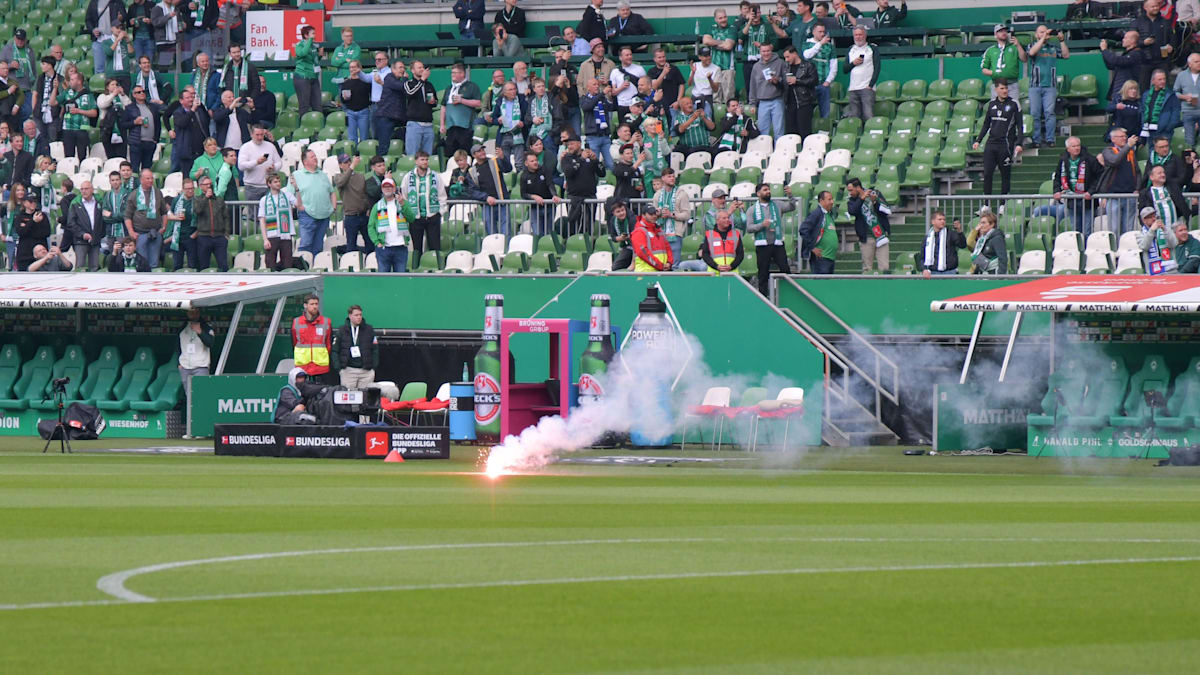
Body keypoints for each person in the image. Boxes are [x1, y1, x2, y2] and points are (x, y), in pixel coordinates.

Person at [1040, 136, 1101, 237]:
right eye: (1073, 146)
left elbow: (1099, 177)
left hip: (1087, 201)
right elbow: (1058, 177)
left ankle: (1086, 250)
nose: (1076, 148)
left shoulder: (1090, 159)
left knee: (1087, 229)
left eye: (1078, 146)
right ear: (1068, 149)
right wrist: (1056, 190)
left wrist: (1091, 191)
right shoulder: (1063, 160)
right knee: (1075, 229)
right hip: (1072, 200)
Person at [973, 80, 1023, 202]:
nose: (1005, 91)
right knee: (987, 174)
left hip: (1005, 145)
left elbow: (1020, 126)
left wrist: (1019, 143)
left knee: (1005, 175)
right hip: (991, 144)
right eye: (1002, 88)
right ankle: (986, 204)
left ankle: (1003, 204)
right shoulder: (991, 104)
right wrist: (978, 140)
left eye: (1006, 88)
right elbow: (986, 124)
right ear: (996, 90)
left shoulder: (1014, 104)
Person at [1027, 26, 1069, 149]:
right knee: (1035, 113)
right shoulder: (1031, 45)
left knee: (1049, 113)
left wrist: (1061, 41)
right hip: (1035, 85)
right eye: (1041, 32)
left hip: (1050, 85)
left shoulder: (1053, 48)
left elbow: (1066, 55)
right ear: (1036, 35)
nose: (1045, 34)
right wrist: (1044, 37)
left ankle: (1050, 139)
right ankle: (1037, 140)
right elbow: (1032, 53)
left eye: (1046, 31)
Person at [750, 182, 796, 291]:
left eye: (769, 189)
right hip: (762, 245)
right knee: (763, 273)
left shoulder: (777, 204)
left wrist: (790, 195)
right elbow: (749, 228)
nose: (768, 191)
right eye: (765, 190)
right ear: (758, 193)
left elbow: (792, 207)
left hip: (777, 243)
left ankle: (789, 295)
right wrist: (762, 225)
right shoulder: (752, 209)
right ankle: (763, 300)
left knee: (785, 270)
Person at [401, 150, 446, 259]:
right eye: (422, 159)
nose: (425, 162)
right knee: (417, 248)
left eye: (426, 159)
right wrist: (408, 214)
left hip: (432, 216)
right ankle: (417, 270)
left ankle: (436, 268)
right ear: (416, 161)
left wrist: (440, 212)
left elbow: (442, 195)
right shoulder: (408, 177)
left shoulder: (436, 176)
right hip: (415, 218)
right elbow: (404, 197)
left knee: (435, 247)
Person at [177, 307, 213, 440]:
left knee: (200, 398)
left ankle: (201, 430)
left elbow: (211, 343)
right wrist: (179, 363)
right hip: (185, 367)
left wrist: (200, 332)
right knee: (189, 399)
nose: (192, 314)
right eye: (190, 311)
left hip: (201, 366)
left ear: (199, 312)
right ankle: (190, 430)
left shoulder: (206, 327)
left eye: (195, 311)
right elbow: (177, 345)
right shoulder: (182, 327)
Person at [367, 176, 416, 273]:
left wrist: (402, 204)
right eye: (385, 187)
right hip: (384, 248)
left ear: (394, 188)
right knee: (384, 280)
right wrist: (377, 242)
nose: (387, 189)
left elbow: (411, 218)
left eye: (390, 187)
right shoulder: (377, 206)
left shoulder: (402, 203)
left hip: (400, 247)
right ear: (382, 189)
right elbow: (371, 227)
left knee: (400, 279)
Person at [123, 168, 168, 267]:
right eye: (148, 178)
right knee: (142, 262)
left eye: (151, 178)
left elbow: (164, 212)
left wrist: (164, 227)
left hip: (155, 233)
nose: (151, 180)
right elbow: (127, 216)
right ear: (141, 180)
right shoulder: (134, 194)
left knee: (154, 262)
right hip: (140, 234)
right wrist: (131, 232)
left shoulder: (158, 193)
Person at [1099, 127, 1141, 233]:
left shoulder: (1130, 152)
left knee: (1129, 229)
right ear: (1113, 139)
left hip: (1130, 195)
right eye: (1121, 136)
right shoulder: (1108, 151)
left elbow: (1137, 172)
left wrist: (1137, 188)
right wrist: (1127, 146)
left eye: (1125, 136)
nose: (1124, 139)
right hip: (1113, 196)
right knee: (1114, 228)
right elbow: (1114, 161)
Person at [562, 134, 605, 236]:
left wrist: (596, 160)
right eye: (568, 144)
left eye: (572, 144)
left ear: (579, 144)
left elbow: (602, 173)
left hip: (590, 197)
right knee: (575, 227)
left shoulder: (589, 157)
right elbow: (569, 173)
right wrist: (581, 159)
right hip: (574, 198)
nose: (570, 146)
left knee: (588, 227)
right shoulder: (566, 158)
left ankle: (588, 247)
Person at [846, 178, 891, 274]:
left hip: (881, 236)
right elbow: (852, 211)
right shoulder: (852, 201)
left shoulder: (875, 193)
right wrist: (861, 199)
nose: (850, 193)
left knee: (884, 268)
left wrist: (875, 202)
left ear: (858, 188)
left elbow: (886, 211)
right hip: (866, 237)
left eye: (851, 190)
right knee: (867, 269)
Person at [440, 63, 481, 158]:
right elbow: (443, 107)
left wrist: (462, 100)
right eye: (452, 73)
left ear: (462, 74)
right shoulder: (449, 88)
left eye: (455, 73)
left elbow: (478, 103)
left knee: (465, 153)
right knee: (450, 153)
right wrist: (442, 124)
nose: (452, 75)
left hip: (465, 127)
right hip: (451, 127)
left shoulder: (472, 86)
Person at [471, 143, 512, 235]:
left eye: (482, 150)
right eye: (479, 151)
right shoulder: (472, 171)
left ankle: (505, 248)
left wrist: (502, 158)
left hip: (502, 201)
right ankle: (493, 248)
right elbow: (472, 190)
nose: (482, 152)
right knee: (490, 231)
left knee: (505, 230)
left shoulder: (495, 161)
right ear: (474, 155)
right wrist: (486, 197)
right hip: (487, 204)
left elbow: (508, 169)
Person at [334, 305, 379, 390]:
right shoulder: (342, 330)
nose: (359, 317)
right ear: (350, 316)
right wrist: (339, 369)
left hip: (366, 371)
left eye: (360, 315)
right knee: (348, 399)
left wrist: (373, 367)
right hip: (348, 371)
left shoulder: (369, 329)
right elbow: (335, 351)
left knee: (366, 399)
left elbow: (375, 349)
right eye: (356, 315)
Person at [292, 294, 333, 384]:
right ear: (305, 305)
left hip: (320, 365)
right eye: (312, 304)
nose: (315, 306)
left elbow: (328, 344)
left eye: (316, 304)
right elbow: (294, 343)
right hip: (303, 365)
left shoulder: (326, 322)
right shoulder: (296, 322)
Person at [56, 72, 97, 163]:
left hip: (82, 129)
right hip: (67, 128)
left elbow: (94, 113)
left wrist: (79, 111)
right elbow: (53, 102)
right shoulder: (67, 92)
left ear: (79, 81)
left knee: (82, 156)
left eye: (72, 80)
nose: (70, 82)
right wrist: (55, 88)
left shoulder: (88, 95)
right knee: (68, 157)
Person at [258, 173, 295, 271]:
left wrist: (297, 190)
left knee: (288, 263)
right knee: (270, 264)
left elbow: (298, 205)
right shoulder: (264, 200)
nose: (278, 183)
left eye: (279, 181)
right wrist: (265, 239)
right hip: (271, 235)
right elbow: (262, 220)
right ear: (269, 184)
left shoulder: (287, 195)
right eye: (275, 182)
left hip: (285, 234)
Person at [1134, 0, 1174, 92]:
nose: (1156, 8)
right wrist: (1143, 43)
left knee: (1165, 86)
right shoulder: (1138, 22)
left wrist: (1171, 46)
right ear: (1145, 8)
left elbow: (1172, 38)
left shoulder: (1165, 22)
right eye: (1153, 6)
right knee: (1143, 88)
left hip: (1162, 59)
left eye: (1157, 6)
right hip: (1144, 60)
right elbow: (1132, 40)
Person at [119, 84, 160, 173]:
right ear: (134, 95)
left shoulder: (153, 107)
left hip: (150, 142)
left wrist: (156, 139)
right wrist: (134, 122)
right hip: (136, 142)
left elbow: (158, 124)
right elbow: (123, 124)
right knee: (135, 168)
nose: (142, 93)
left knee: (147, 169)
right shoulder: (129, 108)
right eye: (139, 92)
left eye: (143, 91)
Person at [170, 87, 211, 176]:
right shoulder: (178, 113)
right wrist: (192, 110)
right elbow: (183, 123)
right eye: (187, 98)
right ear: (181, 101)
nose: (191, 99)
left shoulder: (199, 110)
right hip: (187, 153)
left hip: (201, 151)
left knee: (202, 177)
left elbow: (206, 122)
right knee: (188, 178)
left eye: (192, 97)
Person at [748, 43, 785, 140]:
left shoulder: (780, 63)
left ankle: (779, 152)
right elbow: (753, 85)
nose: (766, 53)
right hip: (763, 102)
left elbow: (786, 81)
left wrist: (778, 80)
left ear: (771, 50)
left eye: (768, 51)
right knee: (763, 131)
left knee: (779, 130)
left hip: (777, 100)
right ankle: (763, 153)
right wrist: (752, 103)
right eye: (763, 51)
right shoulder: (756, 66)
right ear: (760, 52)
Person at [237, 124, 281, 205]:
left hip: (268, 186)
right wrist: (256, 162)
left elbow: (279, 162)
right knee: (253, 215)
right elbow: (241, 166)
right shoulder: (245, 147)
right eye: (257, 135)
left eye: (262, 135)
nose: (260, 137)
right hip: (252, 187)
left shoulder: (270, 146)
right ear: (251, 134)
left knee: (270, 214)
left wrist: (274, 168)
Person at [191, 175, 228, 271]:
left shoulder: (219, 199)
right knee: (203, 265)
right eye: (206, 184)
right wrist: (206, 198)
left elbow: (226, 217)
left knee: (223, 265)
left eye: (210, 184)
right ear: (200, 186)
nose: (209, 186)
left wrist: (226, 234)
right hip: (204, 237)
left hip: (219, 237)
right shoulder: (197, 199)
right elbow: (198, 210)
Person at [798, 188, 838, 277]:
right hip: (821, 258)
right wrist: (812, 247)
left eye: (832, 199)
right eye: (829, 199)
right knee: (822, 285)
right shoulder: (817, 213)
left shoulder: (828, 214)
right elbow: (803, 229)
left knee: (827, 285)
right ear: (821, 201)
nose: (832, 202)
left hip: (829, 257)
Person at [702, 10, 738, 105]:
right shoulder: (711, 28)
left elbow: (728, 46)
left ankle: (729, 118)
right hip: (714, 68)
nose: (723, 20)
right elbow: (706, 40)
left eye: (725, 17)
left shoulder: (732, 28)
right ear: (716, 19)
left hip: (728, 68)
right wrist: (722, 42)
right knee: (715, 97)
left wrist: (714, 43)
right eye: (720, 18)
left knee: (729, 98)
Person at [1139, 164, 1189, 232]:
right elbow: (1142, 214)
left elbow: (1185, 179)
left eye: (1163, 172)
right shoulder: (1145, 194)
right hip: (1157, 232)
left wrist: (1189, 165)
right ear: (1151, 177)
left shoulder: (1173, 188)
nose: (1163, 175)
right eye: (1159, 173)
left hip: (1175, 231)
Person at [781, 45, 817, 138]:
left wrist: (797, 81)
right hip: (789, 103)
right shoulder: (786, 67)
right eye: (785, 57)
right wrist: (776, 81)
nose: (786, 60)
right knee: (791, 133)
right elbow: (783, 84)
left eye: (788, 57)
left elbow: (814, 81)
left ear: (795, 54)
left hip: (804, 102)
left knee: (804, 131)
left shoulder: (808, 65)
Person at [66, 180, 103, 271]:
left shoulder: (99, 201)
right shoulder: (75, 203)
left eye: (86, 189)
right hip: (80, 241)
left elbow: (102, 220)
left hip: (95, 240)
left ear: (92, 190)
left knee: (94, 266)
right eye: (81, 189)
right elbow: (71, 223)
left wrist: (99, 234)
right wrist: (82, 234)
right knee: (80, 267)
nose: (83, 191)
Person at [403, 60, 437, 157]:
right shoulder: (408, 83)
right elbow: (410, 93)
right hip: (414, 124)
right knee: (412, 155)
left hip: (428, 124)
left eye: (423, 67)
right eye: (419, 68)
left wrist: (433, 102)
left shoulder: (429, 85)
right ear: (412, 70)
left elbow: (436, 102)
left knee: (427, 156)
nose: (422, 69)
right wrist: (421, 80)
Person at [803, 24, 837, 119]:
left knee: (825, 112)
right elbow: (807, 55)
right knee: (807, 111)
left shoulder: (830, 46)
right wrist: (820, 44)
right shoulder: (807, 43)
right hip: (809, 84)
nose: (822, 34)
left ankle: (824, 131)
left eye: (823, 32)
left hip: (823, 84)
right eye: (820, 32)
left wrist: (828, 81)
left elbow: (834, 66)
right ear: (813, 32)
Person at [374, 59, 408, 157]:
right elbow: (402, 87)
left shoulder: (397, 80)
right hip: (385, 116)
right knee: (384, 145)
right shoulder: (389, 78)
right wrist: (405, 79)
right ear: (393, 69)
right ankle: (380, 164)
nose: (403, 70)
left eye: (404, 68)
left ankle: (403, 155)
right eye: (400, 67)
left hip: (396, 117)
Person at [519, 150, 557, 236]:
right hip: (534, 209)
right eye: (532, 161)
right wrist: (533, 196)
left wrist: (554, 195)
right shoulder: (524, 176)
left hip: (549, 206)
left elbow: (550, 184)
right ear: (526, 163)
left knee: (549, 233)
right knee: (537, 234)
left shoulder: (545, 170)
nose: (535, 162)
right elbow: (523, 194)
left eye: (536, 160)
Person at [580, 78, 615, 170]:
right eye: (594, 85)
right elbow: (588, 106)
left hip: (605, 136)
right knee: (593, 165)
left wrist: (611, 97)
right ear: (588, 87)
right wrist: (602, 93)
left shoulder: (602, 98)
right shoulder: (584, 99)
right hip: (593, 137)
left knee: (610, 164)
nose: (597, 86)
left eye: (597, 84)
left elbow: (611, 107)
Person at [919, 211, 967, 277]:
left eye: (944, 219)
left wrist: (959, 231)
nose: (942, 221)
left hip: (950, 272)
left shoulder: (951, 234)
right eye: (940, 219)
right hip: (932, 272)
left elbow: (962, 245)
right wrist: (924, 269)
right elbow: (922, 257)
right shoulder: (927, 238)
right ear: (933, 221)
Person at [87, 0, 128, 76]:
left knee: (115, 67)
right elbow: (88, 19)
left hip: (114, 39)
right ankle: (100, 86)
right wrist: (93, 30)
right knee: (99, 69)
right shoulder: (94, 2)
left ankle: (114, 87)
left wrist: (121, 17)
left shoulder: (117, 1)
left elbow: (124, 17)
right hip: (99, 39)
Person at [1101, 31, 1145, 103]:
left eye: (1125, 38)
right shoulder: (1126, 54)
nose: (1123, 40)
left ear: (1132, 41)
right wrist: (1104, 52)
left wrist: (1105, 50)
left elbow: (1116, 61)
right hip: (1118, 91)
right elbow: (1110, 65)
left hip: (1127, 91)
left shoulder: (1136, 54)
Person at [845, 27, 877, 122]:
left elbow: (877, 68)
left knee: (868, 115)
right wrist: (853, 63)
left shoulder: (872, 48)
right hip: (853, 88)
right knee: (854, 117)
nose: (858, 37)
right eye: (856, 35)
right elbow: (845, 69)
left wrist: (870, 85)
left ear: (865, 35)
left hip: (867, 88)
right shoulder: (851, 49)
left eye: (860, 34)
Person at [698, 209, 745, 275]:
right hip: (714, 274)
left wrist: (731, 266)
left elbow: (740, 254)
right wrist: (716, 266)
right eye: (724, 218)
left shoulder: (736, 234)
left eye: (728, 218)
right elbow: (705, 254)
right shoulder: (709, 235)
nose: (727, 220)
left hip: (732, 274)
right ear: (717, 221)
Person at [981, 24, 1026, 91]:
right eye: (1000, 31)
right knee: (995, 101)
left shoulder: (1014, 47)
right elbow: (984, 69)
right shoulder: (990, 50)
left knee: (1013, 101)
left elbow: (1024, 59)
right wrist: (995, 73)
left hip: (1012, 84)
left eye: (1005, 31)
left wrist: (1018, 45)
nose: (1004, 33)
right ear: (995, 34)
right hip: (997, 84)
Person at [163, 176, 195, 270]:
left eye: (192, 188)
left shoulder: (197, 200)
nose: (190, 191)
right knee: (177, 265)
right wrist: (176, 217)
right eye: (188, 189)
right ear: (183, 189)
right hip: (178, 236)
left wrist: (194, 235)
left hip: (191, 236)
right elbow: (169, 215)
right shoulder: (177, 200)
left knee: (192, 264)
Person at [548, 46, 581, 136]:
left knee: (576, 134)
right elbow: (554, 73)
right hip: (560, 109)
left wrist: (569, 85)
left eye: (561, 56)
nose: (559, 59)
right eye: (557, 57)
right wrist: (563, 60)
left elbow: (575, 88)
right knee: (563, 136)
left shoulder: (573, 69)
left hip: (573, 106)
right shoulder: (554, 69)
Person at [1141, 69, 1180, 142]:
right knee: (1152, 152)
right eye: (1160, 79)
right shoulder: (1146, 95)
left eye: (1164, 79)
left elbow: (1175, 112)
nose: (1163, 81)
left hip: (1165, 132)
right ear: (1153, 81)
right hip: (1149, 131)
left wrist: (1169, 128)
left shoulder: (1171, 95)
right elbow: (1143, 111)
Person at [1136, 206, 1178, 273]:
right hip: (1153, 272)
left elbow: (1174, 244)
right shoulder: (1140, 234)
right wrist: (1151, 231)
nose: (1153, 219)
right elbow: (1144, 246)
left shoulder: (1166, 229)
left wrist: (1165, 230)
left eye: (1154, 216)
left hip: (1171, 270)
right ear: (1144, 220)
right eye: (1150, 217)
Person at [630, 206, 672, 271]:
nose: (654, 216)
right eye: (650, 214)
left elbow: (667, 247)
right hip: (646, 272)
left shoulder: (659, 230)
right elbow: (643, 253)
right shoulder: (639, 232)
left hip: (660, 271)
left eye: (655, 214)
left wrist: (669, 262)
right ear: (643, 215)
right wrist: (660, 266)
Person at [292, 25, 322, 116]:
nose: (315, 35)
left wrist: (319, 55)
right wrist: (309, 41)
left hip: (313, 77)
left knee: (318, 105)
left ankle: (318, 125)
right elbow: (302, 53)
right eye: (313, 33)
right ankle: (303, 127)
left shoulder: (313, 46)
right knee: (304, 105)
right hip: (302, 77)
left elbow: (313, 61)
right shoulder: (300, 44)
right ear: (306, 35)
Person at [1174, 54, 1200, 146]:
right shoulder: (1181, 75)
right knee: (1189, 140)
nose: (1199, 63)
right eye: (1196, 62)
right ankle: (1192, 159)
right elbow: (1176, 92)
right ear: (1189, 64)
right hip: (1188, 112)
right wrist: (1184, 97)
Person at [606, 200, 636, 269]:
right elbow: (613, 237)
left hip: (637, 248)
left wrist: (633, 262)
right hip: (626, 247)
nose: (621, 213)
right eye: (618, 212)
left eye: (623, 210)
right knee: (615, 267)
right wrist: (621, 238)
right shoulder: (613, 220)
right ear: (613, 213)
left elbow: (635, 237)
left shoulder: (632, 218)